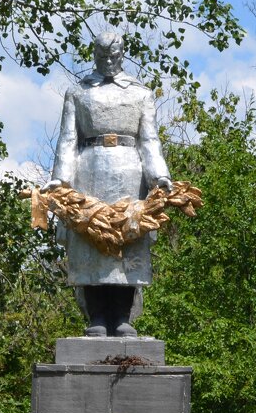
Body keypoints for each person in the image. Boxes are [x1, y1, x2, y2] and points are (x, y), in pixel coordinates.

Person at [45, 31, 172, 337]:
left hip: (130, 172)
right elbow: (68, 139)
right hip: (87, 171)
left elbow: (149, 140)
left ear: (122, 54)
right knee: (91, 242)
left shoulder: (140, 94)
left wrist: (159, 176)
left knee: (128, 240)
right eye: (102, 56)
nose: (108, 62)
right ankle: (97, 316)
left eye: (113, 56)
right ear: (94, 55)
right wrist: (60, 180)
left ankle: (123, 316)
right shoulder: (78, 93)